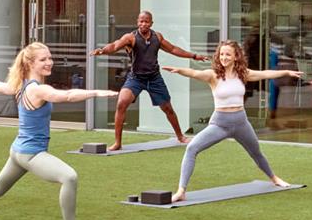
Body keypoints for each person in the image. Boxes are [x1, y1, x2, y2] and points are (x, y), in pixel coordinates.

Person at [0, 42, 118, 220]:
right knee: (69, 177)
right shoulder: (37, 90)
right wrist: (97, 93)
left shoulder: (20, 85)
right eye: (43, 59)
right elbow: (65, 96)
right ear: (30, 63)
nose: (49, 62)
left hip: (18, 152)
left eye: (50, 58)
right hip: (30, 154)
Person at [165, 40, 300, 202]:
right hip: (220, 124)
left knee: (256, 153)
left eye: (228, 54)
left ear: (236, 56)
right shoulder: (213, 75)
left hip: (241, 123)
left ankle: (274, 178)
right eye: (221, 54)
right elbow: (194, 73)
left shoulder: (243, 73)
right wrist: (179, 70)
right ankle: (181, 191)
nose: (224, 57)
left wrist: (286, 72)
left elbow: (265, 74)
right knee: (192, 148)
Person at [90, 10, 207, 151]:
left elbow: (173, 49)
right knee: (121, 103)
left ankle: (180, 136)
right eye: (141, 21)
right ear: (137, 22)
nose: (143, 24)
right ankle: (117, 143)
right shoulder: (130, 38)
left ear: (151, 23)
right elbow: (115, 45)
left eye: (146, 21)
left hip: (154, 78)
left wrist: (194, 56)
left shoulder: (157, 37)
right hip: (135, 78)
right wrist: (102, 50)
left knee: (167, 108)